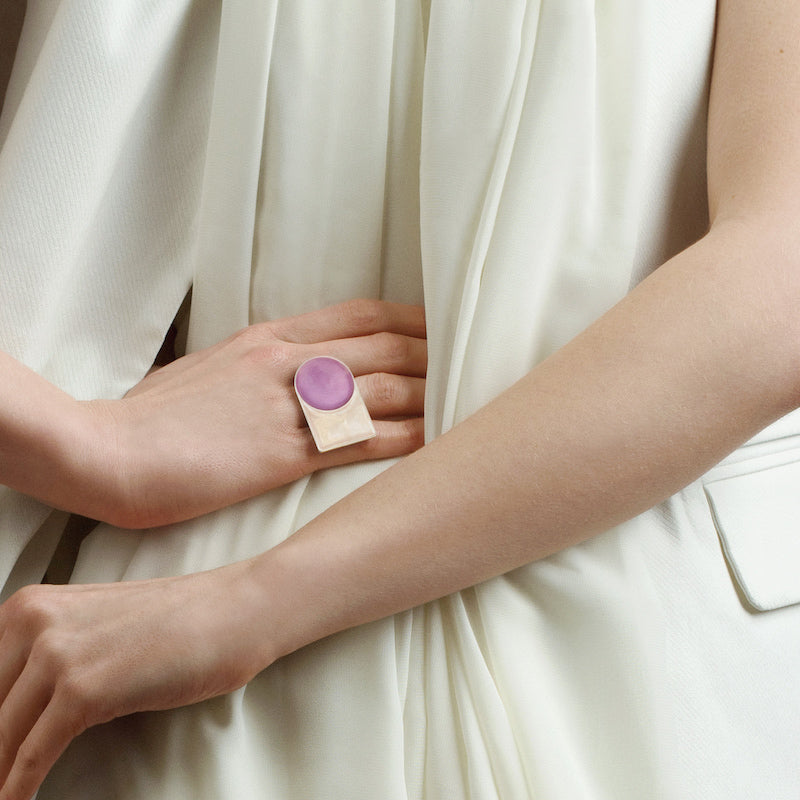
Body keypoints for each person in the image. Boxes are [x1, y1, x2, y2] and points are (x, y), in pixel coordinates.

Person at [1, 1, 799, 798]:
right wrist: (76, 439)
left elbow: (778, 282)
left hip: (634, 647)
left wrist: (252, 601)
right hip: (159, 665)